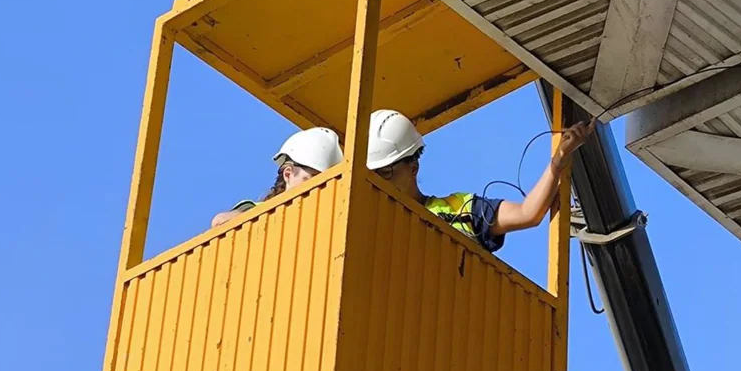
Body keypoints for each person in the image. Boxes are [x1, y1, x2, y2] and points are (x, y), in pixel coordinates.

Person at [365, 109, 591, 252]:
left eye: (385, 172)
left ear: (413, 168)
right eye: (372, 175)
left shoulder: (460, 209)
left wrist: (559, 159)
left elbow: (527, 214)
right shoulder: (363, 222)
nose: (378, 183)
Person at [211, 127, 343, 228]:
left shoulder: (325, 219)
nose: (319, 188)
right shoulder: (258, 210)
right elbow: (220, 221)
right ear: (288, 174)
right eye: (313, 179)